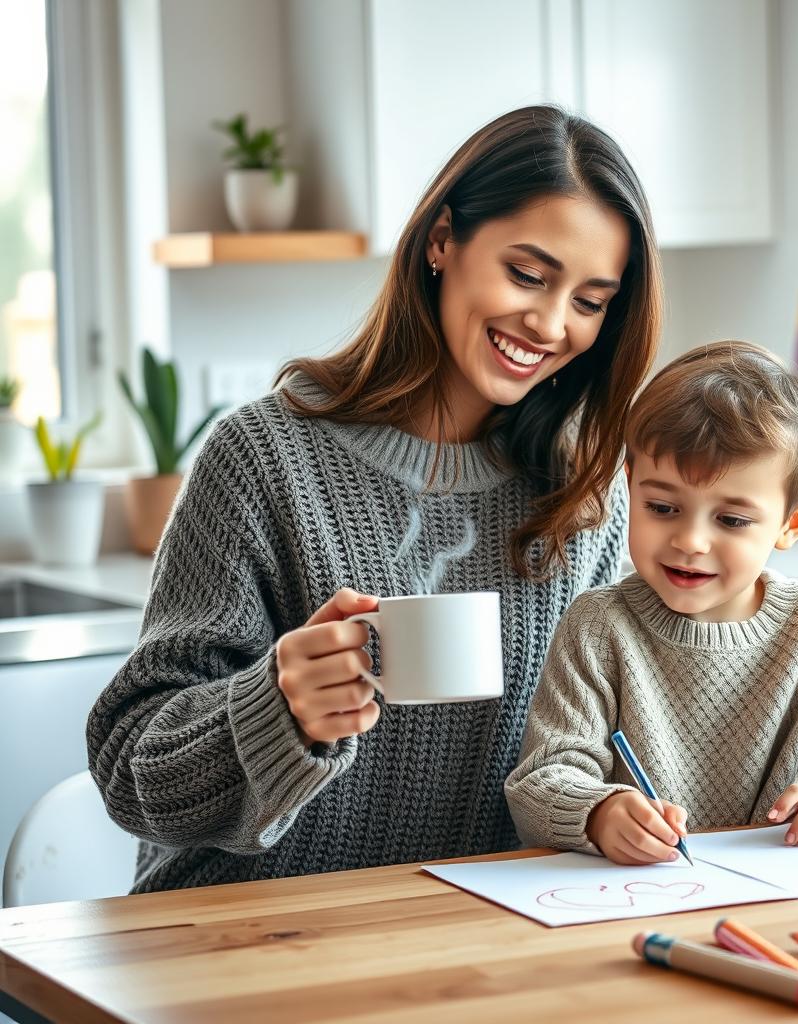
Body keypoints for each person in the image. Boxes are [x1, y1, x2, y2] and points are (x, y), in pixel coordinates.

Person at [87, 105, 663, 892]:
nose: (550, 322)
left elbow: (602, 753)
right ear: (441, 241)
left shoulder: (584, 499)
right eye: (527, 274)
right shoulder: (264, 458)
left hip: (468, 944)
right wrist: (277, 707)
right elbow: (129, 766)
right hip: (242, 937)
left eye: (591, 301)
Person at [505, 340, 798, 865]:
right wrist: (598, 812)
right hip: (623, 892)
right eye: (662, 507)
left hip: (768, 886)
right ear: (629, 487)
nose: (690, 541)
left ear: (792, 522)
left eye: (730, 520)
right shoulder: (597, 626)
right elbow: (541, 781)